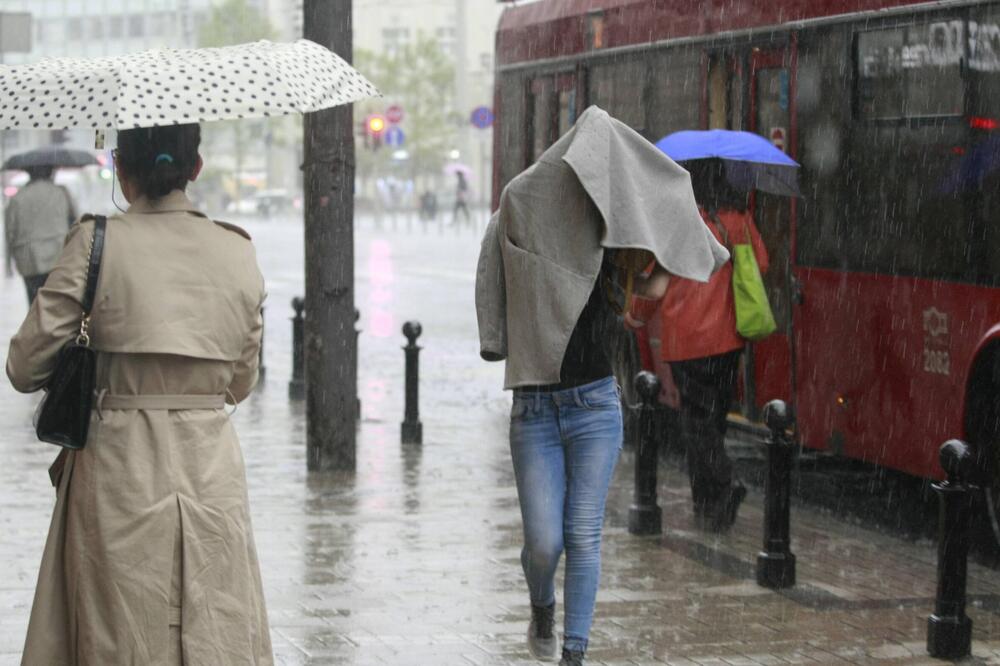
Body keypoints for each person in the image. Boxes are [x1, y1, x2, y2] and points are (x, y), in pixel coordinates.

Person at [7, 124, 273, 665]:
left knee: (117, 630)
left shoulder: (95, 243)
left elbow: (24, 366)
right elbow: (241, 382)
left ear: (120, 169)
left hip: (118, 467)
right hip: (210, 467)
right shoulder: (236, 250)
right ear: (195, 168)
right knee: (213, 621)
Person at [477, 106, 727, 666]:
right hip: (535, 409)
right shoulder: (525, 208)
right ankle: (542, 604)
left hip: (595, 406)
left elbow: (653, 287)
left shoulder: (611, 234)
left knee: (583, 533)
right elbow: (494, 269)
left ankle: (575, 652)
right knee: (544, 543)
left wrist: (672, 244)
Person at [651, 159, 770, 531]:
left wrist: (635, 313)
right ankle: (709, 505)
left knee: (695, 423)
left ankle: (722, 484)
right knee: (713, 420)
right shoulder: (738, 219)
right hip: (727, 339)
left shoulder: (678, 222)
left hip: (685, 339)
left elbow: (655, 279)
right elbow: (762, 264)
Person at [4, 165, 76, 304]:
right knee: (58, 301)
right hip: (58, 255)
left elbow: (10, 232)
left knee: (35, 302)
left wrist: (9, 263)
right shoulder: (60, 192)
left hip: (29, 259)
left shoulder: (18, 197)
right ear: (50, 173)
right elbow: (74, 222)